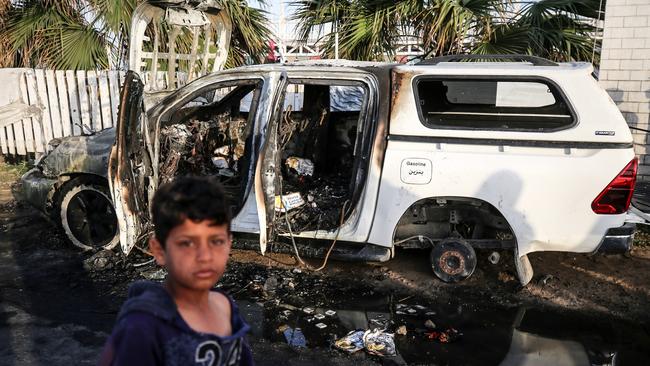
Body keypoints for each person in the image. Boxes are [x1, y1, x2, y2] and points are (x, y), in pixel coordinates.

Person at [98, 176, 254, 366]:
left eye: (216, 241)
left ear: (229, 243)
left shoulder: (226, 306)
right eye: (187, 243)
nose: (205, 256)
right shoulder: (143, 327)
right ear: (159, 250)